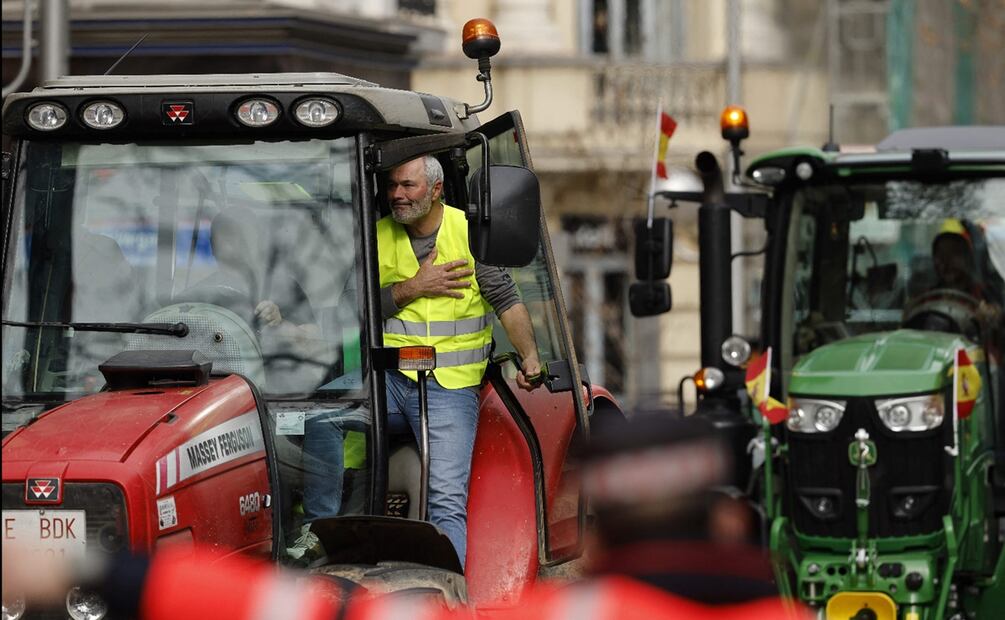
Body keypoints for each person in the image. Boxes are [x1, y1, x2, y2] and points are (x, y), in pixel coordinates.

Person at [291, 156, 542, 570]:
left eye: (407, 185)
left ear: (436, 189)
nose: (397, 195)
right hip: (389, 381)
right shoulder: (379, 235)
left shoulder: (470, 233)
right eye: (392, 185)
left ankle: (454, 594)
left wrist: (530, 357)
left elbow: (507, 300)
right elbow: (353, 309)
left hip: (450, 386)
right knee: (323, 414)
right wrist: (413, 287)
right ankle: (319, 531)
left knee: (445, 498)